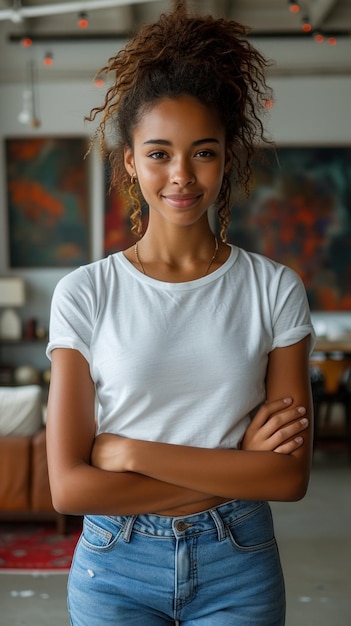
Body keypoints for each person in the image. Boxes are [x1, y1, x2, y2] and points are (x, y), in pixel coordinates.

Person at [46, 3, 315, 625]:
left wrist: (128, 452)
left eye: (203, 152)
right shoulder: (85, 293)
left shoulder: (274, 289)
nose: (181, 176)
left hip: (237, 564)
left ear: (228, 159)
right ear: (131, 161)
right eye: (160, 153)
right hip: (114, 565)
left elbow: (290, 476)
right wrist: (240, 467)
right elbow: (68, 487)